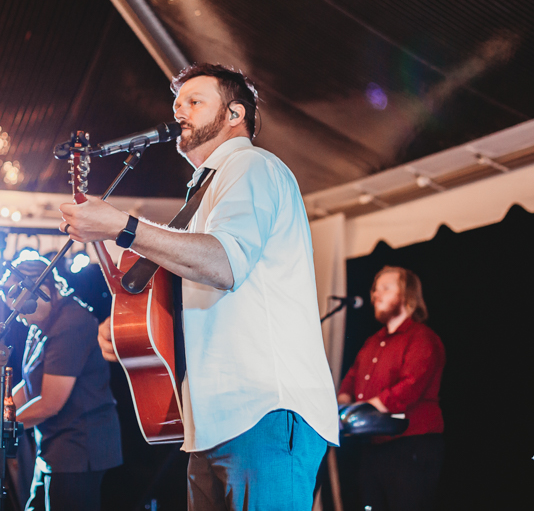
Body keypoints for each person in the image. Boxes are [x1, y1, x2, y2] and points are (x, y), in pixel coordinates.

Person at [59, 63, 339, 511]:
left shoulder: (250, 165)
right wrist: (133, 325)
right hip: (214, 420)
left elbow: (224, 263)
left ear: (234, 114)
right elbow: (187, 283)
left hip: (263, 410)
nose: (180, 112)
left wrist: (122, 225)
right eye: (176, 104)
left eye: (195, 101)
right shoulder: (207, 186)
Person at [0, 258, 122, 511]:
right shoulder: (42, 323)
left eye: (23, 310)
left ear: (44, 290)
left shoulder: (73, 323)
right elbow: (31, 382)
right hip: (55, 448)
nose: (21, 318)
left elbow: (49, 403)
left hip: (79, 449)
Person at [337, 266, 445, 511]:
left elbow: (408, 388)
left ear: (407, 296)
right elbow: (350, 380)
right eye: (375, 289)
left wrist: (357, 411)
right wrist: (344, 405)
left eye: (385, 288)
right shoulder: (372, 342)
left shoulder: (421, 337)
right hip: (373, 446)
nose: (376, 294)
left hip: (411, 445)